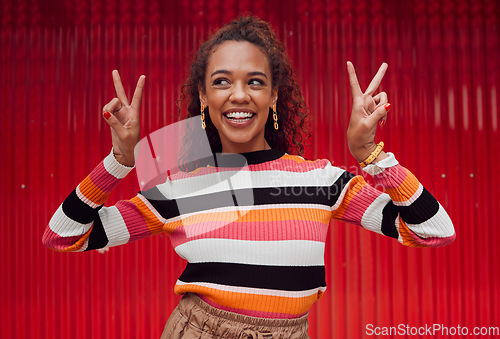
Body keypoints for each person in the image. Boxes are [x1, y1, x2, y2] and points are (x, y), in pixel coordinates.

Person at [43, 16, 455, 339]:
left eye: (254, 82)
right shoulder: (180, 190)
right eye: (221, 82)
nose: (239, 95)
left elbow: (433, 230)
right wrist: (119, 160)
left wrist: (371, 155)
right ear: (204, 98)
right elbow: (63, 236)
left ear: (273, 95)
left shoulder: (322, 182)